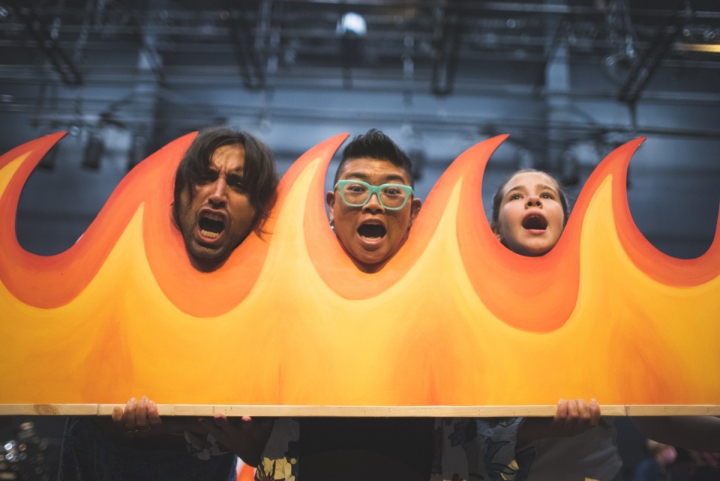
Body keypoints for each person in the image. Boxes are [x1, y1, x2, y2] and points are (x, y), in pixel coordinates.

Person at [199, 132, 600, 481]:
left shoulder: (451, 305)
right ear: (331, 205)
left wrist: (539, 429)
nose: (374, 204)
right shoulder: (283, 296)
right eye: (357, 189)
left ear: (414, 211)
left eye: (392, 191)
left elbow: (481, 436)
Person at [57, 126, 279, 481]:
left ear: (257, 211)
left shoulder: (270, 300)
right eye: (205, 178)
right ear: (180, 192)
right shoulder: (109, 259)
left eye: (238, 185)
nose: (217, 194)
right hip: (101, 458)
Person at [490, 168, 720, 481]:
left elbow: (656, 419)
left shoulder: (602, 305)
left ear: (567, 227)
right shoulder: (476, 310)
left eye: (547, 195)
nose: (533, 199)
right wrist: (535, 429)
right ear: (496, 230)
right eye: (517, 196)